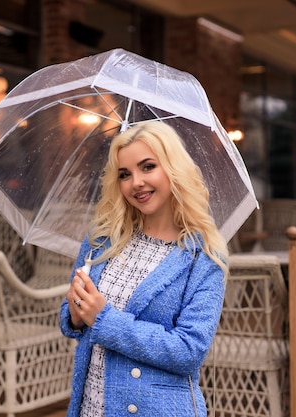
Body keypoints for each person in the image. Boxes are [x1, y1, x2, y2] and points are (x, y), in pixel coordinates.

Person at [60, 120, 228, 417]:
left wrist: (104, 320)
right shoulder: (102, 238)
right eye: (125, 174)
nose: (135, 182)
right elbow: (74, 319)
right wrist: (75, 315)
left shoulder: (203, 257)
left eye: (148, 167)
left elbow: (189, 351)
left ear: (172, 169)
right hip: (91, 407)